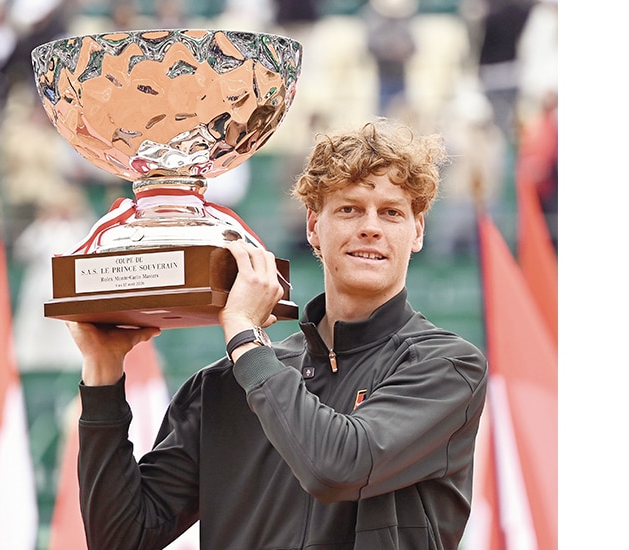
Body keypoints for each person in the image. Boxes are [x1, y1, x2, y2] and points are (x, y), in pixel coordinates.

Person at [65, 119, 489, 549]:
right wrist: (103, 371)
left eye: (392, 212)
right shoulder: (223, 386)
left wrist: (245, 339)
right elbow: (120, 539)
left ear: (417, 231)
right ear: (313, 227)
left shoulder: (447, 367)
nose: (371, 227)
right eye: (349, 209)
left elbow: (337, 467)